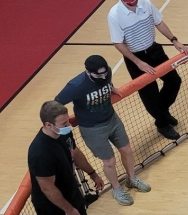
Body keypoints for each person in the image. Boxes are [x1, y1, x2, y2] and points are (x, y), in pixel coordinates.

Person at [55, 55, 151, 206]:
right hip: (92, 129)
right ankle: (117, 189)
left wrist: (111, 87)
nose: (103, 76)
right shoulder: (76, 85)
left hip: (112, 119)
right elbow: (57, 103)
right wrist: (65, 121)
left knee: (127, 150)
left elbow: (107, 80)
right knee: (109, 161)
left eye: (105, 73)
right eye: (99, 75)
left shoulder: (107, 73)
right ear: (88, 71)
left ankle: (132, 179)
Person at [108, 0, 188, 141]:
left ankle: (162, 113)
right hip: (135, 58)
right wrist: (138, 62)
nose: (132, 0)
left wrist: (174, 40)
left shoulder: (145, 3)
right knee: (149, 94)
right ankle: (162, 123)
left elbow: (159, 23)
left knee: (174, 81)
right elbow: (118, 43)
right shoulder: (114, 15)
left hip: (154, 50)